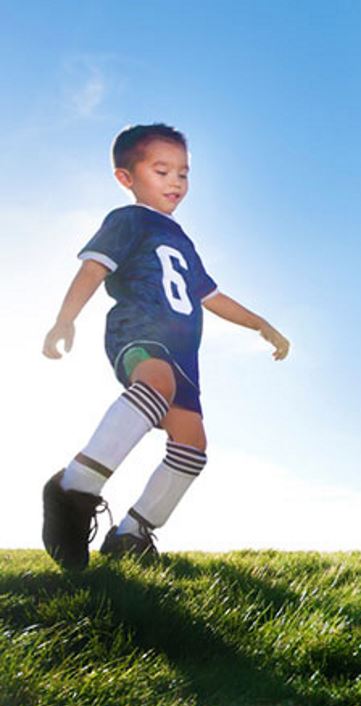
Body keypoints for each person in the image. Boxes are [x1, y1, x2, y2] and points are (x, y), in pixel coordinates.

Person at [41, 123, 290, 570]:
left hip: (183, 351)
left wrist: (261, 324)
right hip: (139, 328)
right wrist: (65, 319)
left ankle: (132, 534)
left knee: (192, 443)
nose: (176, 181)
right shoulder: (128, 219)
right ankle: (73, 490)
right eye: (162, 171)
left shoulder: (182, 240)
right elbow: (94, 269)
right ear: (126, 177)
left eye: (183, 173)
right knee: (155, 383)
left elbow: (211, 297)